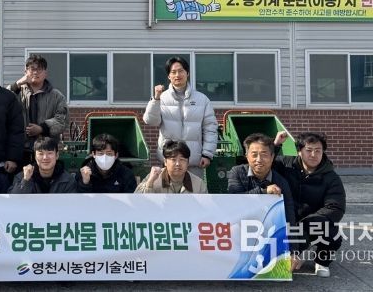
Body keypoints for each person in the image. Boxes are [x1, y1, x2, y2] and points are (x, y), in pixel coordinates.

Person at [273, 131, 346, 278]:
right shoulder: (286, 165)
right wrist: (276, 145)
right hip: (286, 220)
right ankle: (295, 252)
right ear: (299, 151)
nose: (313, 155)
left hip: (312, 222)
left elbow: (335, 207)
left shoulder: (331, 177)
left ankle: (321, 262)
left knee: (333, 235)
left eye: (318, 150)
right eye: (309, 150)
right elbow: (265, 164)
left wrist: (305, 224)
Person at [228, 133, 298, 270]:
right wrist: (263, 192)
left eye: (264, 155)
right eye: (254, 154)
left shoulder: (281, 182)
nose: (259, 160)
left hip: (267, 231)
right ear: (246, 156)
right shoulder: (237, 172)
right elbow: (234, 201)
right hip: (241, 228)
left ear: (272, 157)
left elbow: (289, 216)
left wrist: (293, 251)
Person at [142, 56, 218, 178]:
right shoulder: (161, 98)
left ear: (187, 73)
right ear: (169, 76)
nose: (177, 75)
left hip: (193, 161)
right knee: (167, 190)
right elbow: (150, 121)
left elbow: (210, 128)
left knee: (194, 190)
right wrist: (155, 99)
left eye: (181, 71)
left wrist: (207, 154)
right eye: (173, 72)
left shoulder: (202, 99)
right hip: (169, 160)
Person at [7, 54, 68, 166]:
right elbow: (2, 102)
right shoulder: (17, 92)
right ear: (25, 72)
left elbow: (62, 120)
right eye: (32, 69)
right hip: (20, 150)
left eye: (39, 69)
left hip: (47, 150)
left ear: (45, 73)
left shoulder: (56, 96)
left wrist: (42, 128)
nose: (35, 72)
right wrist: (17, 84)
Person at [135, 140, 207, 194]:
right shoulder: (154, 178)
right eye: (173, 160)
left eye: (182, 159)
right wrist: (150, 183)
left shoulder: (199, 184)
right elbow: (138, 201)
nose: (178, 164)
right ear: (165, 162)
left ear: (188, 162)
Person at [9, 138, 77, 193]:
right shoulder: (22, 177)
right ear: (35, 157)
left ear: (57, 155)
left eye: (49, 153)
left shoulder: (67, 180)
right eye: (41, 154)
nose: (45, 158)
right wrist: (25, 181)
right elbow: (14, 200)